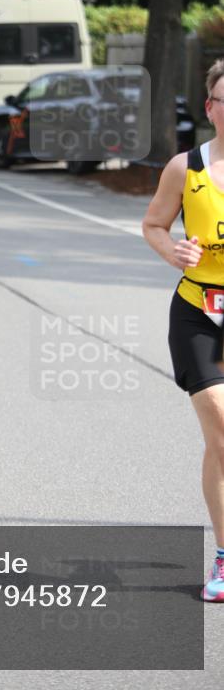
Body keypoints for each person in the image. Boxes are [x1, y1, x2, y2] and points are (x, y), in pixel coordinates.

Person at [142, 59, 224, 603]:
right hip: (199, 311)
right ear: (211, 107)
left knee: (219, 444)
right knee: (222, 424)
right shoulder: (185, 167)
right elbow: (153, 224)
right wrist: (173, 249)